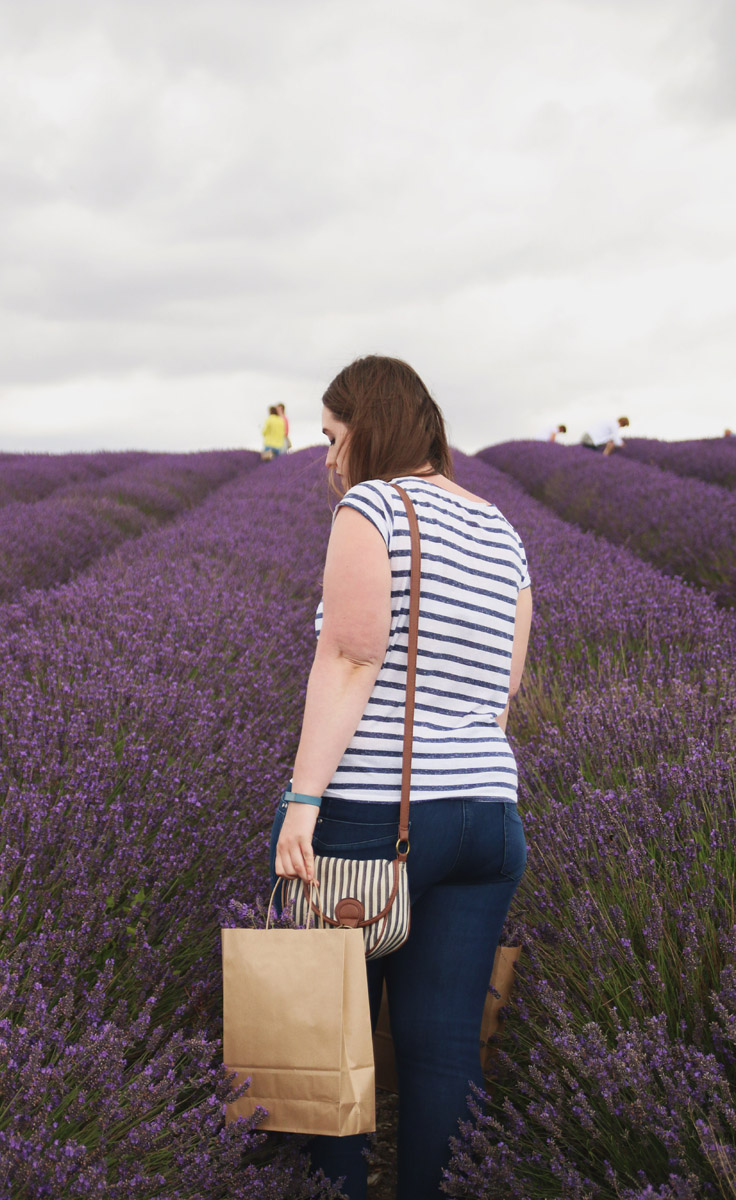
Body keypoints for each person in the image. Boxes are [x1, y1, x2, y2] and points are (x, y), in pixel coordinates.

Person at [270, 356, 532, 1200]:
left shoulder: (372, 506)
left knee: (325, 1035)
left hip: (377, 812)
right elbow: (504, 691)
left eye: (332, 438)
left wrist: (302, 803)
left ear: (368, 428)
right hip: (490, 817)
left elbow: (349, 656)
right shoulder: (503, 529)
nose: (327, 460)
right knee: (447, 1043)